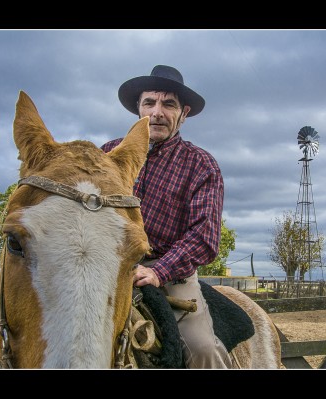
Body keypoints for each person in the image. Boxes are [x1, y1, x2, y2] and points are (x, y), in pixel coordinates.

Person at [101, 65, 231, 369]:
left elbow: (204, 236)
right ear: (139, 108)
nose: (157, 112)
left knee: (202, 349)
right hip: (107, 268)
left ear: (183, 113)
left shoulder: (201, 165)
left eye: (168, 104)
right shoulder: (108, 154)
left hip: (172, 275)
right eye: (149, 103)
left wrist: (159, 270)